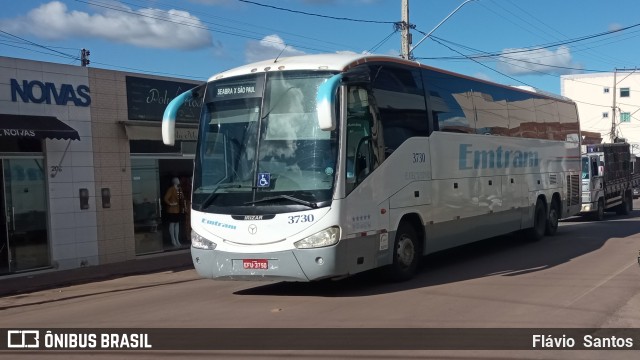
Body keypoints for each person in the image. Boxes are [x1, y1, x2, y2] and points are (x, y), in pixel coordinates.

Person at [163, 177, 184, 248]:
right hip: (172, 209)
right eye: (177, 180)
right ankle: (173, 239)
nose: (179, 181)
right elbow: (166, 198)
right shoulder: (171, 189)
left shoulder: (179, 189)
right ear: (175, 181)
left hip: (178, 209)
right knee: (172, 223)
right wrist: (170, 203)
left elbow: (182, 198)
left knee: (177, 223)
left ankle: (177, 239)